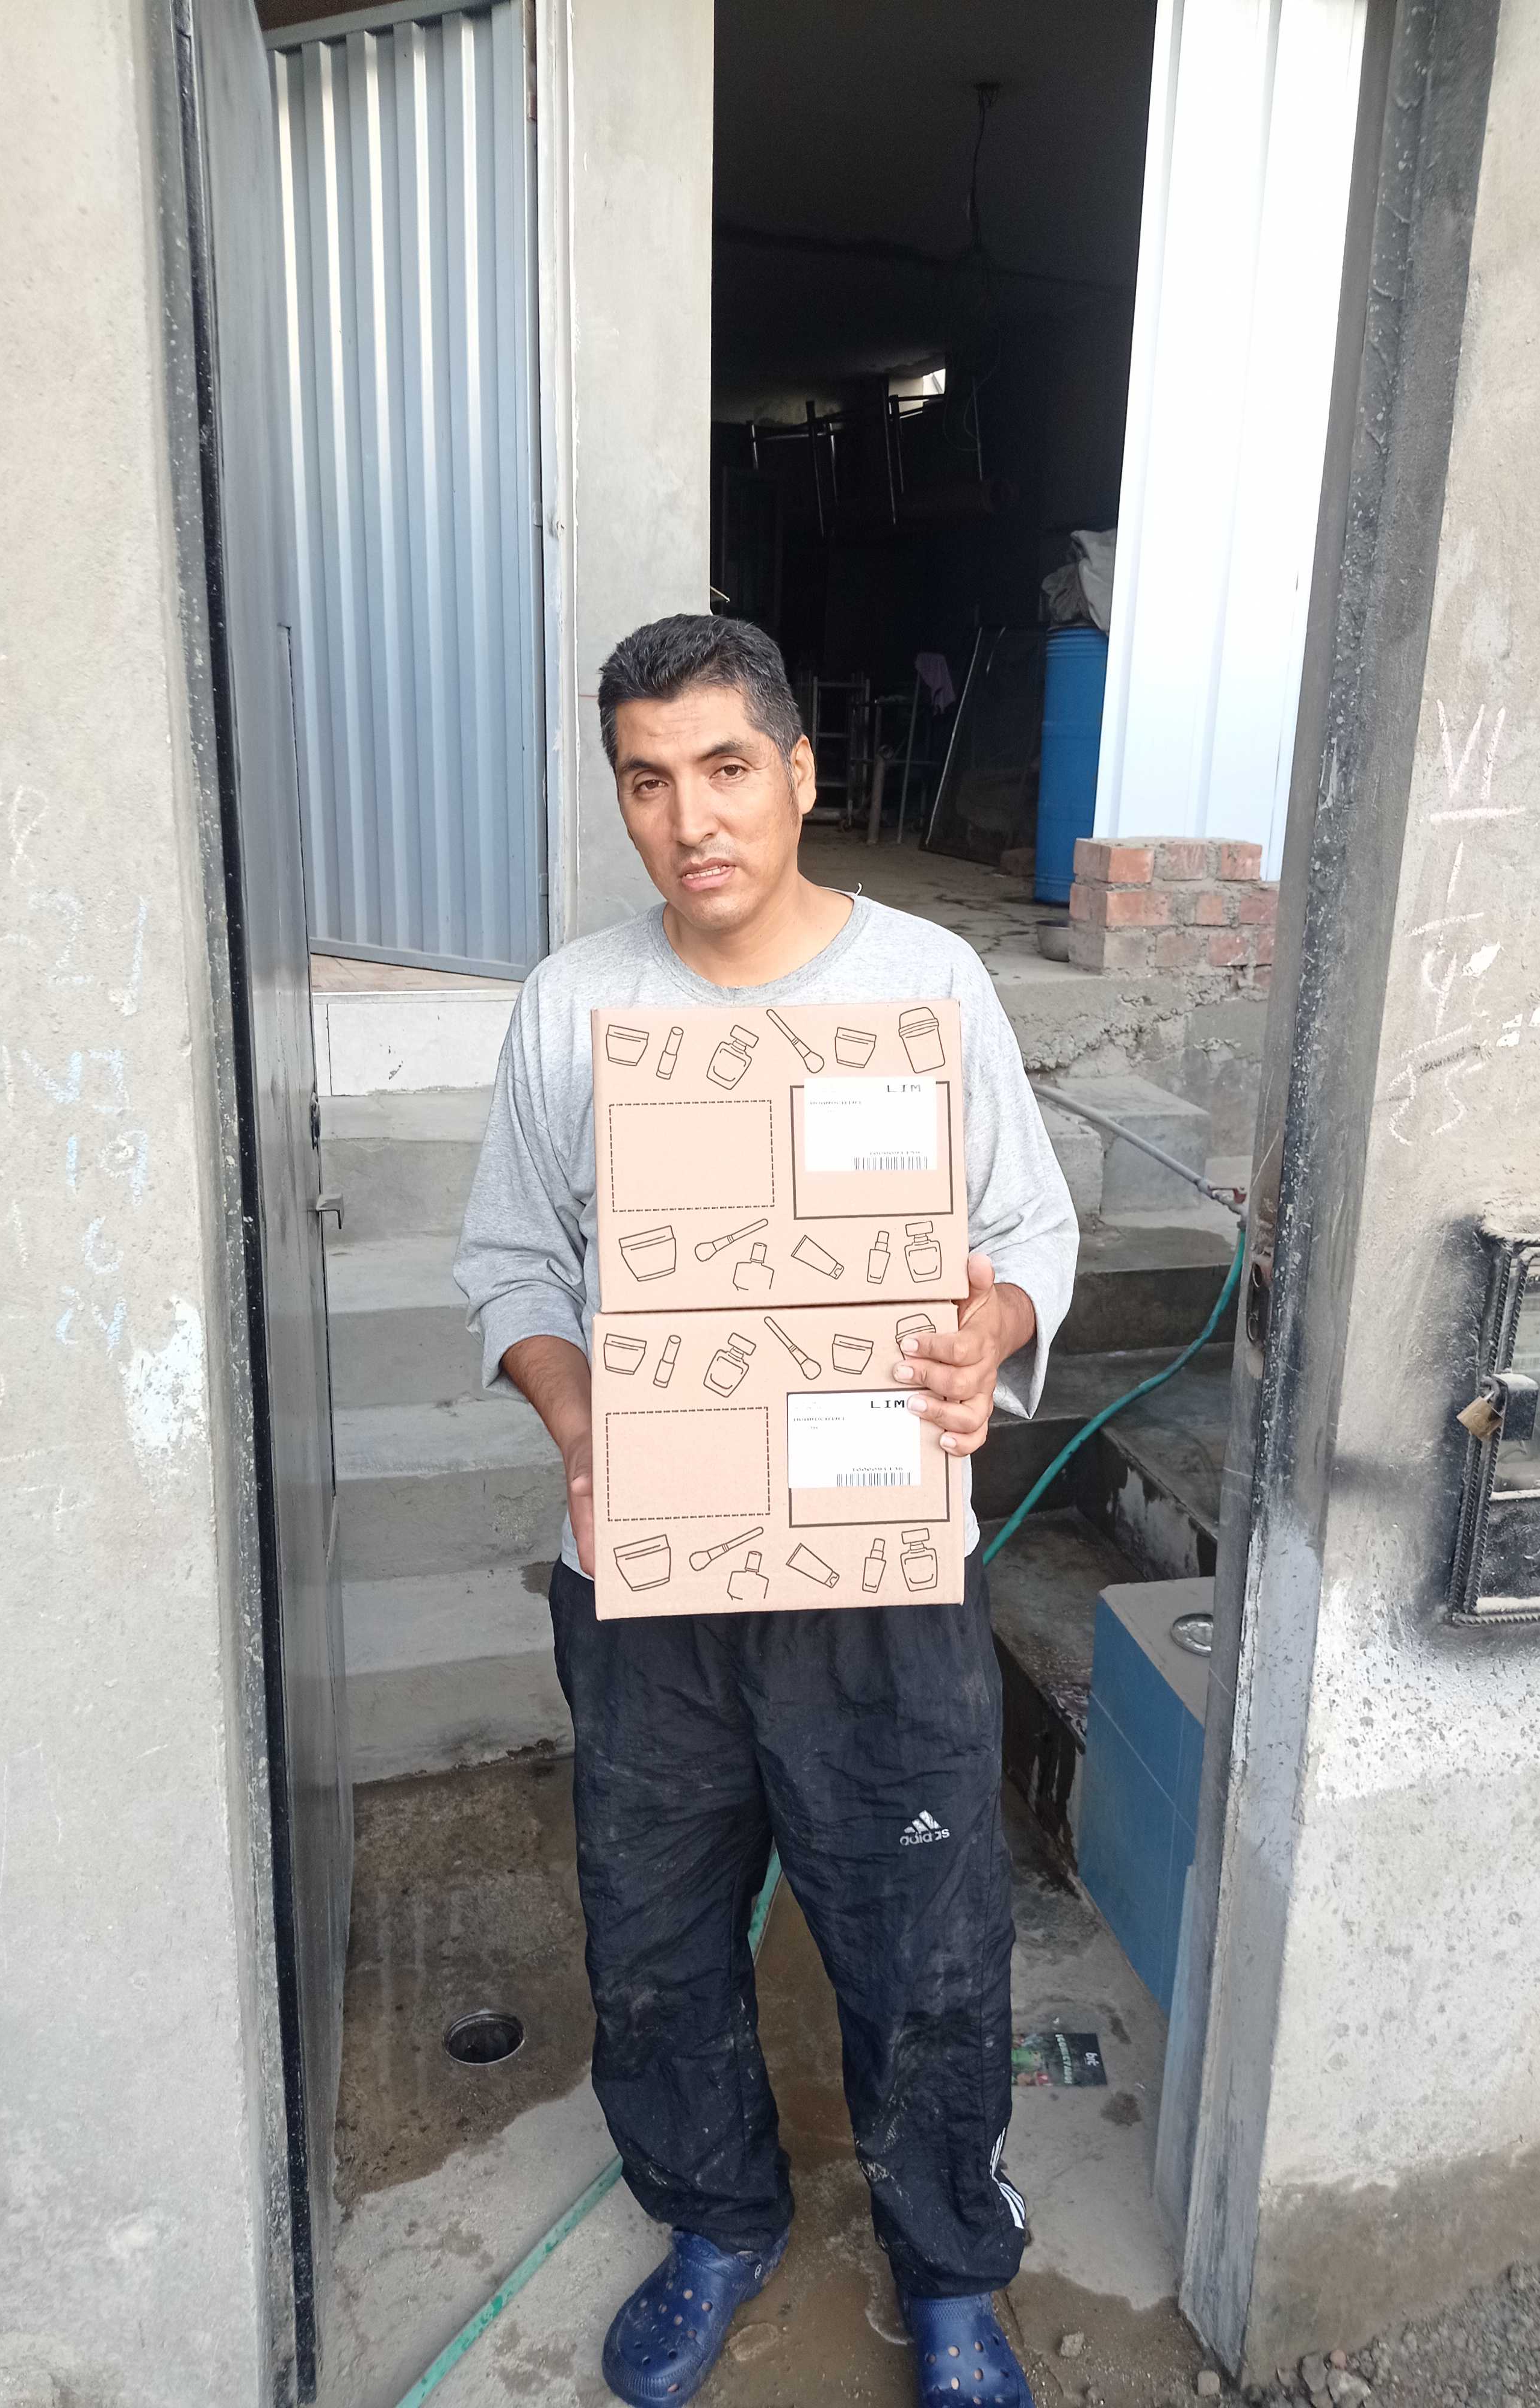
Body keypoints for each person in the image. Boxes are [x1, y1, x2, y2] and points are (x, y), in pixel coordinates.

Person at [455, 614, 1077, 2408]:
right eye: (647, 782)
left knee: (927, 1938)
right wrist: (584, 1415)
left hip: (878, 1573)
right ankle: (717, 2222)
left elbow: (1026, 1235)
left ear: (800, 773)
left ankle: (949, 2271)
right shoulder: (574, 1007)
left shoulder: (927, 986)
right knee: (654, 1937)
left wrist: (988, 1336)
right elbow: (512, 1262)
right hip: (645, 1574)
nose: (691, 820)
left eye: (727, 769)